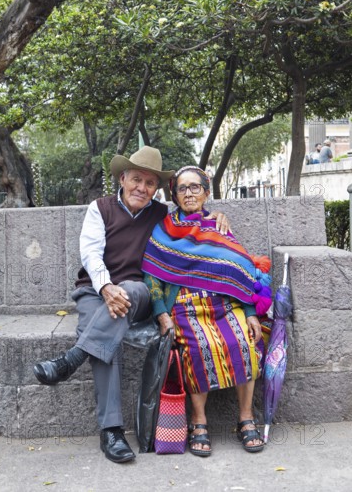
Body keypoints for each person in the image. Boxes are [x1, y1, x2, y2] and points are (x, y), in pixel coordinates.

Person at [33, 147, 229, 464]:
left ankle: (71, 359)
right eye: (136, 179)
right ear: (123, 179)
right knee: (106, 339)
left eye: (150, 183)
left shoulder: (162, 215)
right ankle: (112, 432)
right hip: (95, 292)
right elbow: (91, 254)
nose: (142, 187)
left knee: (131, 289)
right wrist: (106, 286)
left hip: (139, 294)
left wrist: (217, 217)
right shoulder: (100, 208)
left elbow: (194, 225)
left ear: (156, 189)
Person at [142, 166, 273, 457]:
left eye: (195, 187)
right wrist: (162, 313)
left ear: (206, 191)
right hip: (185, 306)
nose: (189, 193)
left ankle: (245, 418)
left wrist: (250, 311)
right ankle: (198, 420)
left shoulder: (219, 224)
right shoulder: (163, 229)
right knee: (199, 347)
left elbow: (238, 271)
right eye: (182, 188)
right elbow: (152, 274)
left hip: (225, 304)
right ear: (173, 195)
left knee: (246, 341)